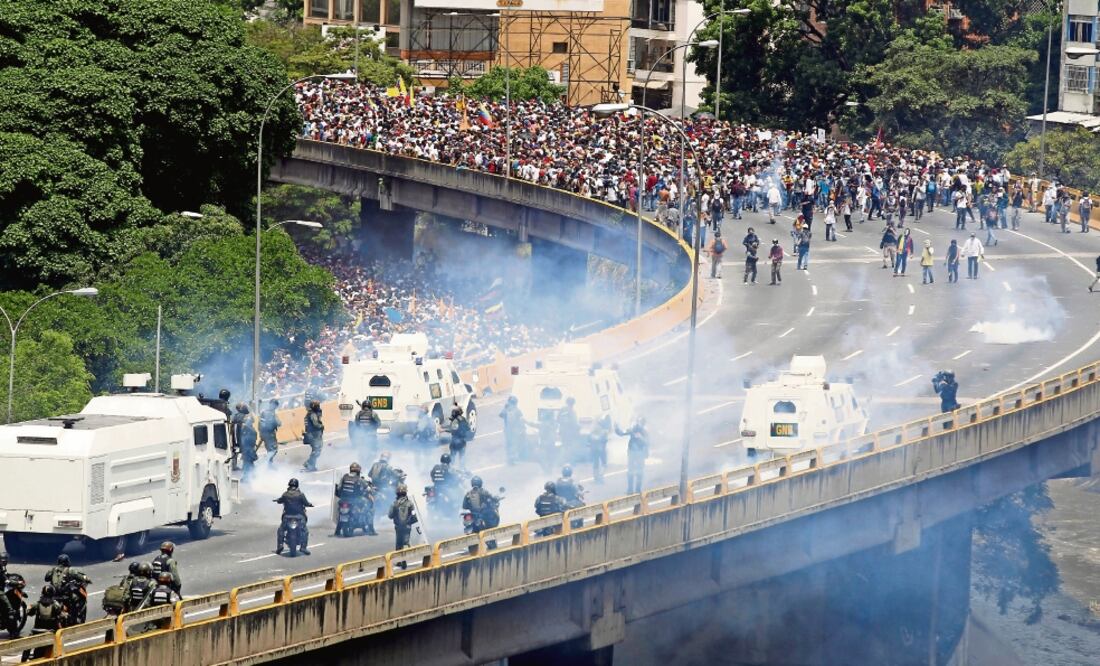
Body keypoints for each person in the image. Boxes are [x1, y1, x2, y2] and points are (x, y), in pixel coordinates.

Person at [22, 585, 66, 661]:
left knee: (27, 646)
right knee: (59, 646)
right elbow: (62, 615)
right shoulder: (55, 605)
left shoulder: (37, 604)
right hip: (50, 632)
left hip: (36, 631)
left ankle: (23, 661)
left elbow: (28, 612)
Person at [274, 478, 313, 555]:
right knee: (305, 531)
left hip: (287, 517)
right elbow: (306, 503)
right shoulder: (301, 494)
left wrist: (277, 500)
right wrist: (310, 504)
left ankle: (280, 546)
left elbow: (280, 500)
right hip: (299, 517)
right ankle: (303, 547)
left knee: (281, 530)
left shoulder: (285, 494)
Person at [336, 462, 376, 536]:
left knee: (340, 513)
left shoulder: (344, 477)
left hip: (343, 499)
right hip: (355, 499)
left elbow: (338, 488)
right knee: (369, 505)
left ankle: (337, 530)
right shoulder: (359, 479)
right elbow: (368, 489)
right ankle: (371, 529)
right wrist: (372, 490)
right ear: (358, 471)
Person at [617, 418, 649, 494]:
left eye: (639, 422)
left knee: (639, 471)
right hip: (632, 453)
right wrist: (616, 428)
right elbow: (621, 433)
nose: (637, 424)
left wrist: (641, 438)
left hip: (640, 453)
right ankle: (630, 489)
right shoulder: (632, 430)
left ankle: (637, 489)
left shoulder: (644, 432)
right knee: (631, 471)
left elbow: (647, 443)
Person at [388, 484, 418, 558]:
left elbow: (390, 516)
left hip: (398, 527)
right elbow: (414, 516)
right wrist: (409, 522)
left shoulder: (394, 504)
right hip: (407, 526)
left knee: (399, 544)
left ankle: (399, 561)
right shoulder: (410, 503)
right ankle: (412, 551)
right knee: (406, 541)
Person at [499, 396, 526, 464]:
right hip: (512, 430)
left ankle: (511, 458)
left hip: (510, 430)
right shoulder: (515, 410)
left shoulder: (510, 410)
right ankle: (512, 458)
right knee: (512, 444)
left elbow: (501, 415)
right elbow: (521, 420)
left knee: (510, 444)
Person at [588, 414, 611, 484]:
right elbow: (605, 440)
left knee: (596, 463)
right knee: (604, 464)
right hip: (601, 449)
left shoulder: (593, 430)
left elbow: (590, 438)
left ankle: (596, 477)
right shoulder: (603, 431)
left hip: (594, 449)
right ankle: (600, 477)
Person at [302, 400, 324, 472]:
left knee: (316, 450)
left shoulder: (310, 413)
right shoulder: (312, 414)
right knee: (317, 451)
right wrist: (321, 426)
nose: (319, 407)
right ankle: (308, 463)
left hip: (311, 434)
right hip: (314, 435)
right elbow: (316, 424)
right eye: (317, 406)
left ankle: (312, 465)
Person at [557, 397, 581, 461]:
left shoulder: (562, 409)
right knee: (568, 446)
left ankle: (562, 461)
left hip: (563, 431)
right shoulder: (572, 411)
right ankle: (567, 460)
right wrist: (579, 427)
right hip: (570, 432)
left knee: (564, 446)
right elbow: (574, 423)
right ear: (573, 403)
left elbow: (558, 419)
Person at [258, 399, 281, 466]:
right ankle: (266, 461)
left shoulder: (263, 412)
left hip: (264, 434)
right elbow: (279, 423)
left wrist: (261, 434)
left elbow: (259, 424)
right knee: (274, 450)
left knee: (269, 450)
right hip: (270, 435)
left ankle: (269, 465)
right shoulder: (271, 413)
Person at [238, 406, 258, 480]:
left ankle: (250, 476)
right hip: (247, 449)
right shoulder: (246, 429)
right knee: (247, 464)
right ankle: (248, 477)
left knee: (248, 464)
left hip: (249, 449)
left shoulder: (250, 429)